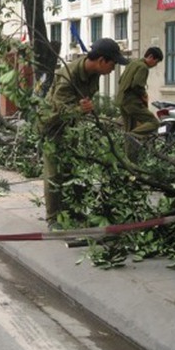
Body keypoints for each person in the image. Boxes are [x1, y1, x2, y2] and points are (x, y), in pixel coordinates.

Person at [37, 38, 129, 225]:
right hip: (52, 126)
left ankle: (72, 211)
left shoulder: (94, 74)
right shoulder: (67, 77)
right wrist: (80, 109)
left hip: (71, 126)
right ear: (102, 61)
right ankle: (53, 218)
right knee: (55, 173)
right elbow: (60, 111)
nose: (113, 69)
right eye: (112, 64)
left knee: (72, 168)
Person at [116, 46, 164, 159]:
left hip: (122, 101)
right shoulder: (143, 67)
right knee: (153, 122)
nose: (155, 65)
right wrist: (144, 95)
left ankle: (128, 159)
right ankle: (134, 136)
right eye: (156, 62)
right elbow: (137, 85)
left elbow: (120, 80)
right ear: (151, 57)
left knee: (129, 129)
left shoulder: (132, 63)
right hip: (132, 102)